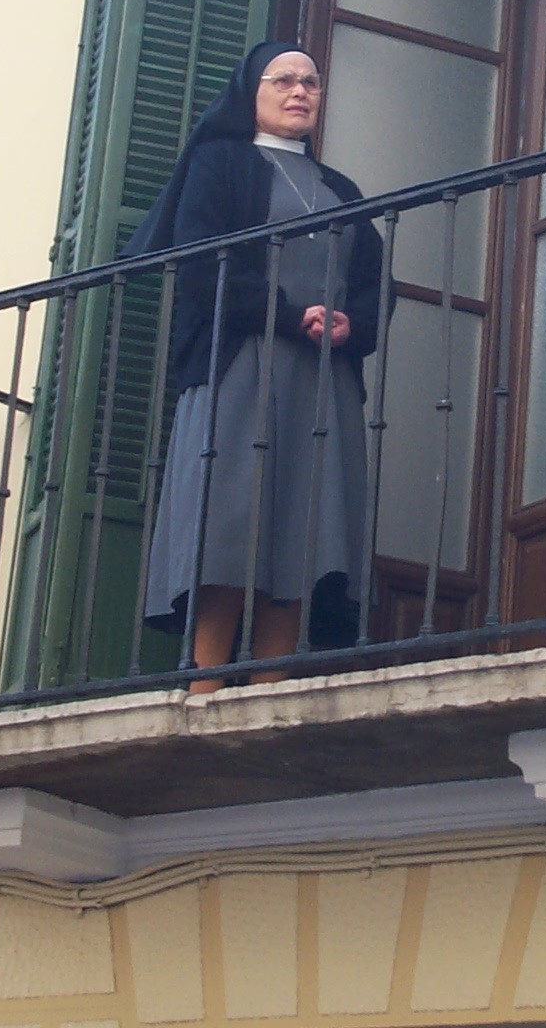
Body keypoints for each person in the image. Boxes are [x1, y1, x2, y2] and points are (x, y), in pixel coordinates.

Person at [125, 41, 384, 689]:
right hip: (242, 368)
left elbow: (372, 281)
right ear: (252, 92)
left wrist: (352, 324)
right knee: (228, 526)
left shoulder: (341, 189)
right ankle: (204, 688)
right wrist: (289, 314)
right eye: (284, 80)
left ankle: (271, 688)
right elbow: (202, 261)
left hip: (321, 381)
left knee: (305, 532)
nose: (300, 92)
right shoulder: (220, 164)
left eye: (311, 82)